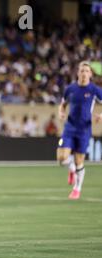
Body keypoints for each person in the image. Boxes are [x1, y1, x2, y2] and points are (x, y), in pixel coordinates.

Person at [57, 61, 102, 200]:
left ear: (90, 74)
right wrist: (61, 112)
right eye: (82, 70)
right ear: (78, 73)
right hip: (69, 127)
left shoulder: (94, 90)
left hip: (84, 129)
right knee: (61, 158)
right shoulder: (70, 89)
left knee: (79, 161)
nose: (84, 73)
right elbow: (62, 104)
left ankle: (77, 189)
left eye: (86, 71)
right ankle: (72, 171)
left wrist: (101, 115)